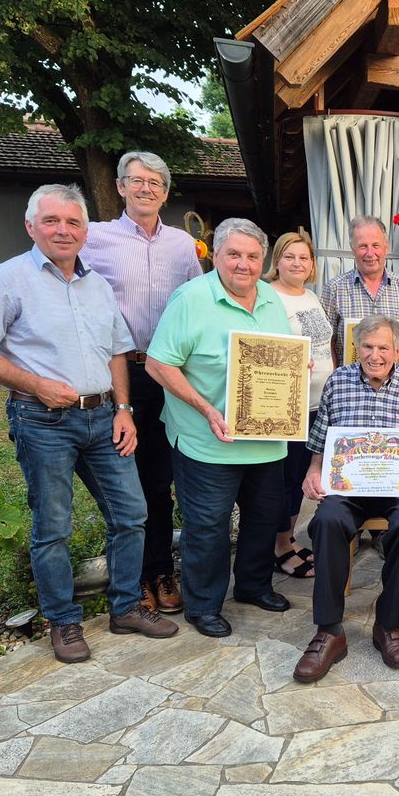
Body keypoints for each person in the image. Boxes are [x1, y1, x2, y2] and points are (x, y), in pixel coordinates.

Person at [0, 184, 178, 663]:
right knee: (53, 526)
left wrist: (124, 409)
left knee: (131, 515)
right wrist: (35, 384)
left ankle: (124, 607)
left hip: (104, 418)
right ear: (31, 226)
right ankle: (64, 621)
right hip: (43, 420)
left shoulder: (97, 283)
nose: (63, 230)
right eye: (52, 221)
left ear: (85, 231)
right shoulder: (4, 279)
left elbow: (118, 350)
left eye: (73, 222)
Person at [145, 218, 293, 638]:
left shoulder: (269, 297)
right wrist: (207, 409)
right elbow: (159, 364)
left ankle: (252, 586)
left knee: (263, 519)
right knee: (208, 524)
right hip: (206, 439)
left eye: (251, 256)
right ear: (216, 255)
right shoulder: (191, 298)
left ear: (263, 260)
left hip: (264, 439)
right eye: (233, 254)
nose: (243, 264)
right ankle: (204, 604)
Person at [83, 150, 203, 615]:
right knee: (123, 481)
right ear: (120, 187)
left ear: (166, 192)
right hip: (120, 371)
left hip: (167, 371)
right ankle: (131, 579)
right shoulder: (94, 238)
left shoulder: (181, 246)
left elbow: (197, 300)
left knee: (159, 479)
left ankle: (158, 571)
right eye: (137, 180)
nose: (146, 188)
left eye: (155, 182)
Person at [293, 315, 399, 683]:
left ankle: (388, 626)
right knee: (325, 521)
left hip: (397, 488)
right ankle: (330, 631)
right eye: (368, 346)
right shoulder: (338, 382)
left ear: (397, 350)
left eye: (384, 347)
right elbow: (321, 445)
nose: (376, 355)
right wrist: (313, 472)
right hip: (349, 487)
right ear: (357, 347)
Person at [266, 230, 335, 578]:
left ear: (312, 266)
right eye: (289, 256)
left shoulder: (310, 296)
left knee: (297, 477)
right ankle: (279, 547)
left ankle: (287, 538)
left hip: (316, 404)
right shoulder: (267, 296)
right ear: (276, 260)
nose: (297, 263)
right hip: (286, 405)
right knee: (284, 478)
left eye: (303, 258)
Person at [321, 215, 399, 370]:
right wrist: (334, 379)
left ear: (386, 247)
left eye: (375, 245)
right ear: (353, 250)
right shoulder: (334, 289)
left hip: (396, 387)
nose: (370, 253)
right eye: (363, 246)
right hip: (349, 385)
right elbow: (327, 342)